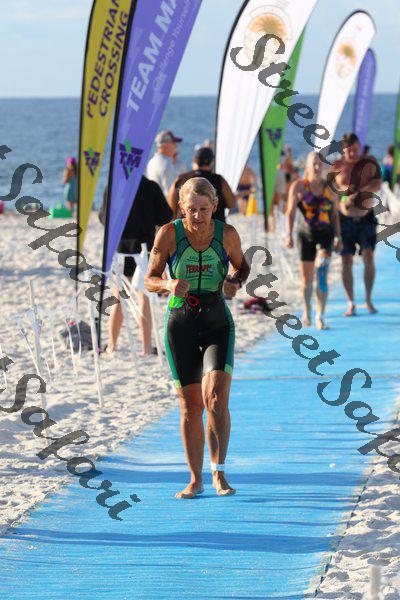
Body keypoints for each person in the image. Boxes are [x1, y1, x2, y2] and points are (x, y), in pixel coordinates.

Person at [145, 177, 250, 498]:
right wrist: (167, 284)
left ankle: (219, 474)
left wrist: (234, 282)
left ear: (214, 206)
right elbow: (149, 279)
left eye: (204, 209)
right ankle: (195, 479)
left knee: (216, 397)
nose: (198, 216)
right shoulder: (169, 234)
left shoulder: (227, 234)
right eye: (191, 209)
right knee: (191, 406)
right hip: (181, 323)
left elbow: (242, 267)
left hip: (217, 321)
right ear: (181, 207)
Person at [99, 176, 172, 355]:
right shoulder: (150, 186)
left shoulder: (114, 184)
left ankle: (112, 345)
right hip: (144, 248)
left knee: (119, 297)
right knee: (143, 296)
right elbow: (165, 217)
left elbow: (103, 217)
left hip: (121, 247)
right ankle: (146, 347)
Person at [286, 152, 342, 330]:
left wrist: (339, 237)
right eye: (314, 164)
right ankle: (307, 310)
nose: (317, 167)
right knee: (307, 279)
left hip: (326, 235)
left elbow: (335, 214)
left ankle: (320, 316)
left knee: (322, 272)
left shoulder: (330, 187)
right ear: (307, 166)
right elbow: (290, 212)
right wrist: (288, 235)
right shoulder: (299, 186)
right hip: (305, 235)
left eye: (320, 164)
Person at [330, 132, 382, 317]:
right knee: (346, 260)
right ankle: (351, 303)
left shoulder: (369, 161)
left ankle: (368, 299)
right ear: (343, 149)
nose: (353, 153)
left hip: (366, 217)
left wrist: (359, 191)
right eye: (349, 151)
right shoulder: (337, 166)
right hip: (345, 219)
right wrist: (345, 195)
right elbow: (332, 194)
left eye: (356, 149)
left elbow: (377, 184)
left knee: (368, 257)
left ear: (360, 146)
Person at [167, 147, 237, 221]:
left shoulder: (181, 179)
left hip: (187, 226)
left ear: (195, 161)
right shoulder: (219, 180)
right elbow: (232, 203)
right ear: (211, 162)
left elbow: (171, 209)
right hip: (214, 225)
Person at [146, 130, 183, 196]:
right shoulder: (166, 163)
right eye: (174, 143)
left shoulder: (151, 162)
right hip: (161, 201)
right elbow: (169, 194)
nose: (176, 146)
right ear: (166, 145)